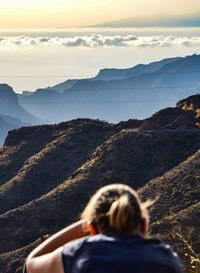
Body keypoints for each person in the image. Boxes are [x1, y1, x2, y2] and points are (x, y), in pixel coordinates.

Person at [26, 184, 183, 273]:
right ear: (144, 224)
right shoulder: (166, 258)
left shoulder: (80, 253)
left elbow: (31, 264)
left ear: (92, 229)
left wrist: (86, 225)